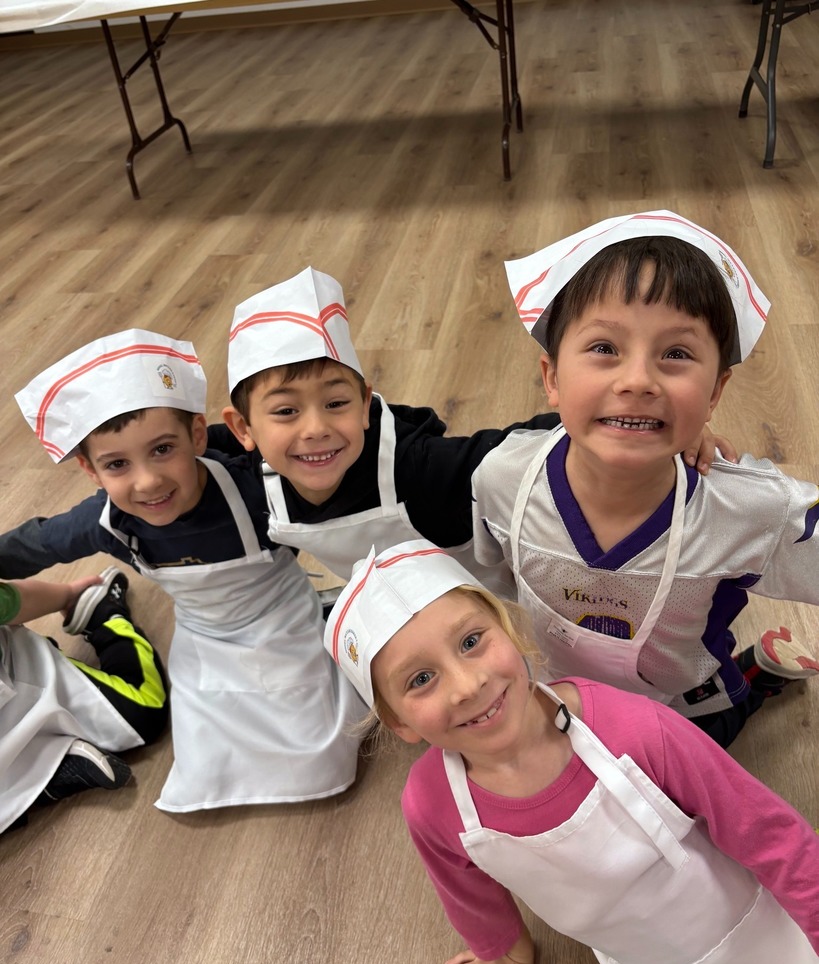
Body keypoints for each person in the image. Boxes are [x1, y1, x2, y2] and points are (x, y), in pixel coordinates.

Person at [324, 539, 819, 964]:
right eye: (420, 680)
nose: (467, 685)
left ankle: (754, 677)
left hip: (766, 930)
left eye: (472, 642)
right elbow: (463, 887)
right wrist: (504, 953)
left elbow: (769, 833)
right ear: (400, 724)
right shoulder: (431, 802)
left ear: (509, 630)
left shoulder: (636, 730)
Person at [471, 210, 819, 748]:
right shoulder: (502, 479)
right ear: (552, 378)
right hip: (565, 697)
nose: (638, 380)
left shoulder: (751, 510)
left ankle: (758, 673)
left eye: (676, 354)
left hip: (687, 709)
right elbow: (494, 576)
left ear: (715, 393)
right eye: (605, 348)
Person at [1, 329, 365, 813]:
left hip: (284, 617)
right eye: (117, 464)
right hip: (205, 638)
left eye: (162, 450)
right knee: (206, 761)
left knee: (323, 755)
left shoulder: (255, 490)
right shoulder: (104, 521)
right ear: (91, 471)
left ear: (196, 435)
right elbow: (33, 544)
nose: (148, 481)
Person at [217, 267, 732, 590]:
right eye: (285, 412)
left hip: (494, 597)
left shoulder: (422, 470)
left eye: (336, 403)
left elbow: (522, 441)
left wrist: (652, 428)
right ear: (244, 429)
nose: (315, 430)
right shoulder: (249, 482)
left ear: (367, 403)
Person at [2, 567, 168, 833]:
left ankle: (102, 615)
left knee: (140, 712)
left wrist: (67, 596)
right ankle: (48, 775)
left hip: (25, 680)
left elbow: (13, 601)